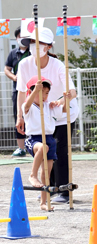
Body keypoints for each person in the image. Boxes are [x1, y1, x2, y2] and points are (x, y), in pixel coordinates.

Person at [16, 27, 79, 204]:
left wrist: (62, 99)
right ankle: (46, 189)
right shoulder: (24, 64)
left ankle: (63, 190)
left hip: (61, 112)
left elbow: (72, 91)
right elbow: (22, 93)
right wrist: (19, 116)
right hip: (38, 115)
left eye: (39, 43)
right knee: (43, 152)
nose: (34, 47)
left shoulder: (58, 65)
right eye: (32, 43)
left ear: (48, 47)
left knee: (60, 151)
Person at [23, 76, 68, 211]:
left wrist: (66, 98)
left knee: (46, 173)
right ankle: (32, 175)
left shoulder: (48, 106)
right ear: (32, 93)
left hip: (48, 138)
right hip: (34, 139)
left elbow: (64, 111)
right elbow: (26, 106)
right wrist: (35, 91)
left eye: (46, 93)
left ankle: (44, 202)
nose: (44, 96)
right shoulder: (29, 106)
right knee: (43, 147)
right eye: (41, 93)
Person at [4, 27, 30, 157]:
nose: (22, 39)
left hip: (32, 89)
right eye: (20, 37)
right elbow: (6, 68)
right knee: (19, 116)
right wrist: (14, 77)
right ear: (16, 38)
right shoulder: (13, 53)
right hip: (18, 90)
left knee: (34, 114)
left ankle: (36, 144)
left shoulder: (33, 52)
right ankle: (21, 148)